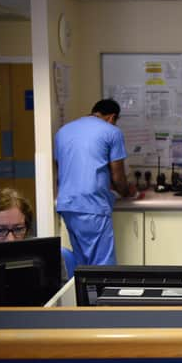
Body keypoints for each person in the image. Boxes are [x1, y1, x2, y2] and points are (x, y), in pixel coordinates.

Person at [55, 99, 134, 266]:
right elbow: (118, 176)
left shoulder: (63, 131)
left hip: (66, 205)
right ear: (112, 117)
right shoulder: (112, 132)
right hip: (92, 205)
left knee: (82, 265)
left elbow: (61, 166)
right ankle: (100, 292)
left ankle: (86, 293)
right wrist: (128, 192)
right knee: (102, 267)